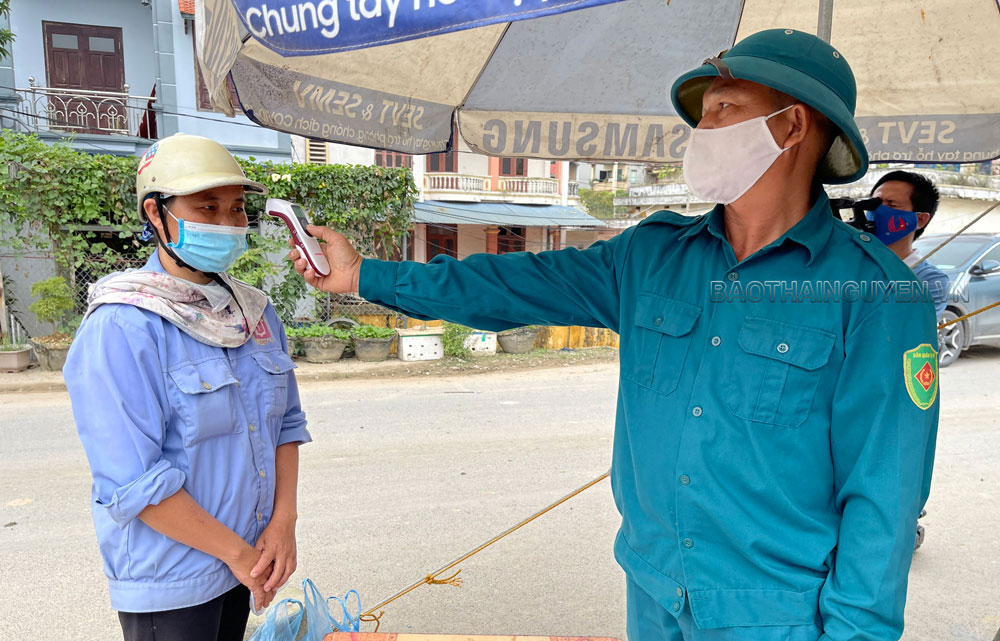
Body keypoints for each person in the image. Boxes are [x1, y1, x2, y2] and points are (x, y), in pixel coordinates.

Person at [295, 30, 939, 641]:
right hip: (655, 588)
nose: (703, 130)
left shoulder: (877, 293)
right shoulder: (651, 257)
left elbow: (885, 496)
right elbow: (511, 284)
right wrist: (364, 275)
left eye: (723, 110)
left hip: (779, 612)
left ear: (792, 125)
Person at [64, 134, 310, 641]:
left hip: (245, 561)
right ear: (156, 214)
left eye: (237, 209)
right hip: (172, 578)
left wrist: (283, 523)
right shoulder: (123, 326)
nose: (227, 223)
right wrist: (241, 556)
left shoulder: (255, 315)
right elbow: (134, 484)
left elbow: (286, 423)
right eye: (206, 207)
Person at [870, 170, 949, 317]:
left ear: (920, 220)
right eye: (874, 203)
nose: (877, 211)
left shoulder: (931, 281)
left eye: (891, 205)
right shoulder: (850, 262)